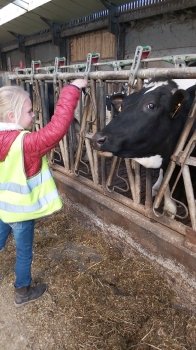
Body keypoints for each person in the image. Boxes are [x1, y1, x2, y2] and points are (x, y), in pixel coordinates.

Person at [0, 78, 87, 307]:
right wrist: (72, 90)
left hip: (2, 206)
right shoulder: (25, 143)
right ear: (12, 116)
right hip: (21, 212)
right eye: (29, 112)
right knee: (24, 254)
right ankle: (23, 293)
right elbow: (56, 129)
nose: (33, 116)